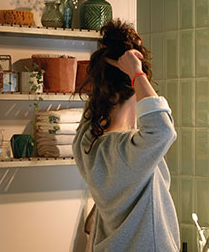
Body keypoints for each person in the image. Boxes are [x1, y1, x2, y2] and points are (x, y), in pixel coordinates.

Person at [73, 20, 180, 251]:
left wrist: (107, 67)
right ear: (133, 93)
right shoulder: (129, 152)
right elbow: (162, 129)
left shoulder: (86, 147)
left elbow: (95, 106)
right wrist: (136, 72)